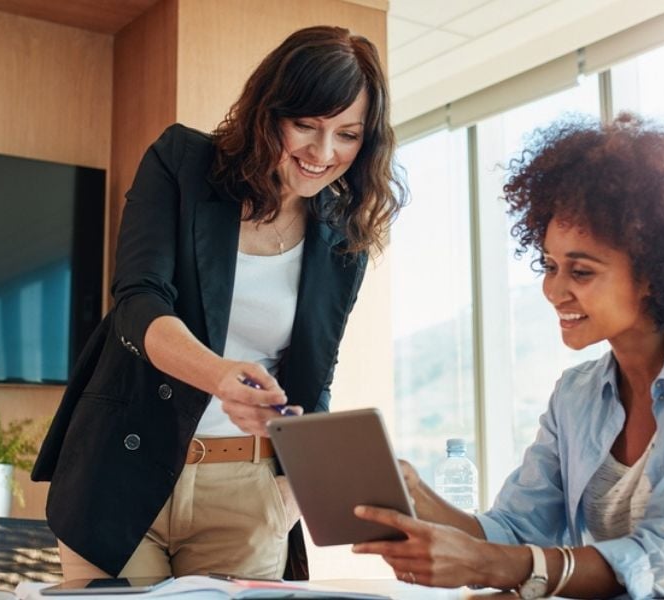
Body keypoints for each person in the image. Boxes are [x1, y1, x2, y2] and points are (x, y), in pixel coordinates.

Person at [352, 114, 664, 599]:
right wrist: (421, 500)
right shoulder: (577, 395)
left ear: (654, 274)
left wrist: (500, 567)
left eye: (580, 272)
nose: (555, 290)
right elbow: (518, 533)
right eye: (550, 266)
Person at [31, 26, 403, 582]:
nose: (323, 153)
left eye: (347, 135)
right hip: (122, 473)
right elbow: (138, 303)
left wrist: (290, 498)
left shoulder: (340, 240)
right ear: (269, 112)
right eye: (305, 125)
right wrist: (220, 375)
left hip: (247, 496)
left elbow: (311, 378)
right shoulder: (182, 165)